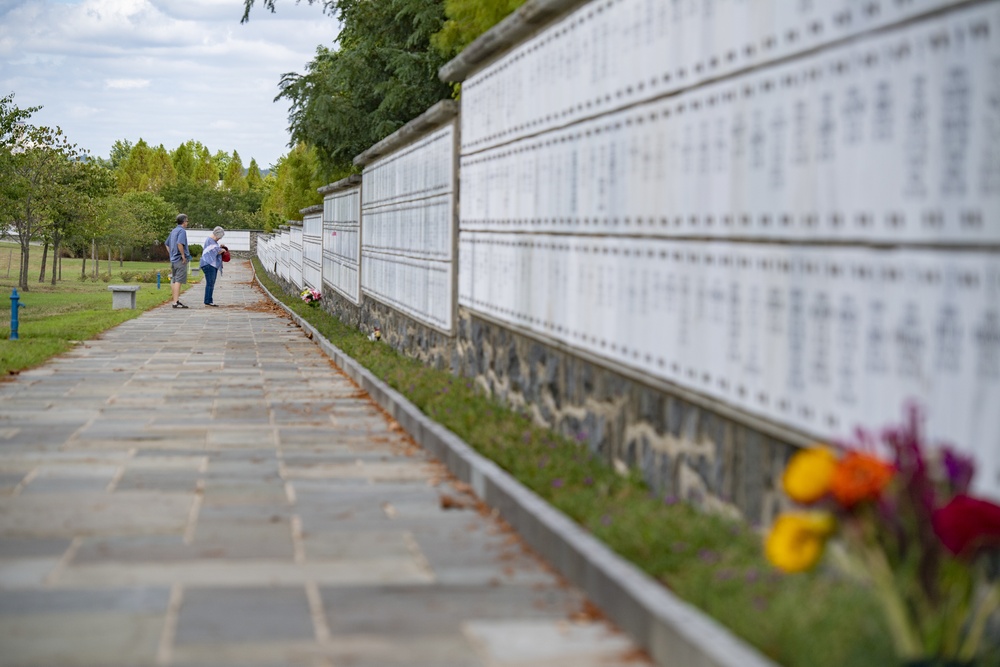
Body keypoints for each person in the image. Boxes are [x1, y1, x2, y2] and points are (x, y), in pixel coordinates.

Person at [165, 214, 191, 308]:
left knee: (174, 280)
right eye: (187, 221)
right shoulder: (182, 231)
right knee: (178, 281)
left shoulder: (173, 231)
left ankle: (175, 300)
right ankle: (175, 302)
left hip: (173, 260)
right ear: (184, 221)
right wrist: (183, 256)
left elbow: (167, 244)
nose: (187, 223)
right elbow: (180, 243)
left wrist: (171, 254)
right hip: (180, 260)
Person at [200, 226, 226, 307]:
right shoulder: (210, 241)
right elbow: (215, 251)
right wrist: (222, 250)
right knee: (210, 283)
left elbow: (215, 249)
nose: (219, 239)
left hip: (210, 265)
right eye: (219, 237)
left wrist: (220, 247)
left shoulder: (212, 241)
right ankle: (208, 301)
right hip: (209, 264)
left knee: (210, 283)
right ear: (217, 234)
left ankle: (208, 300)